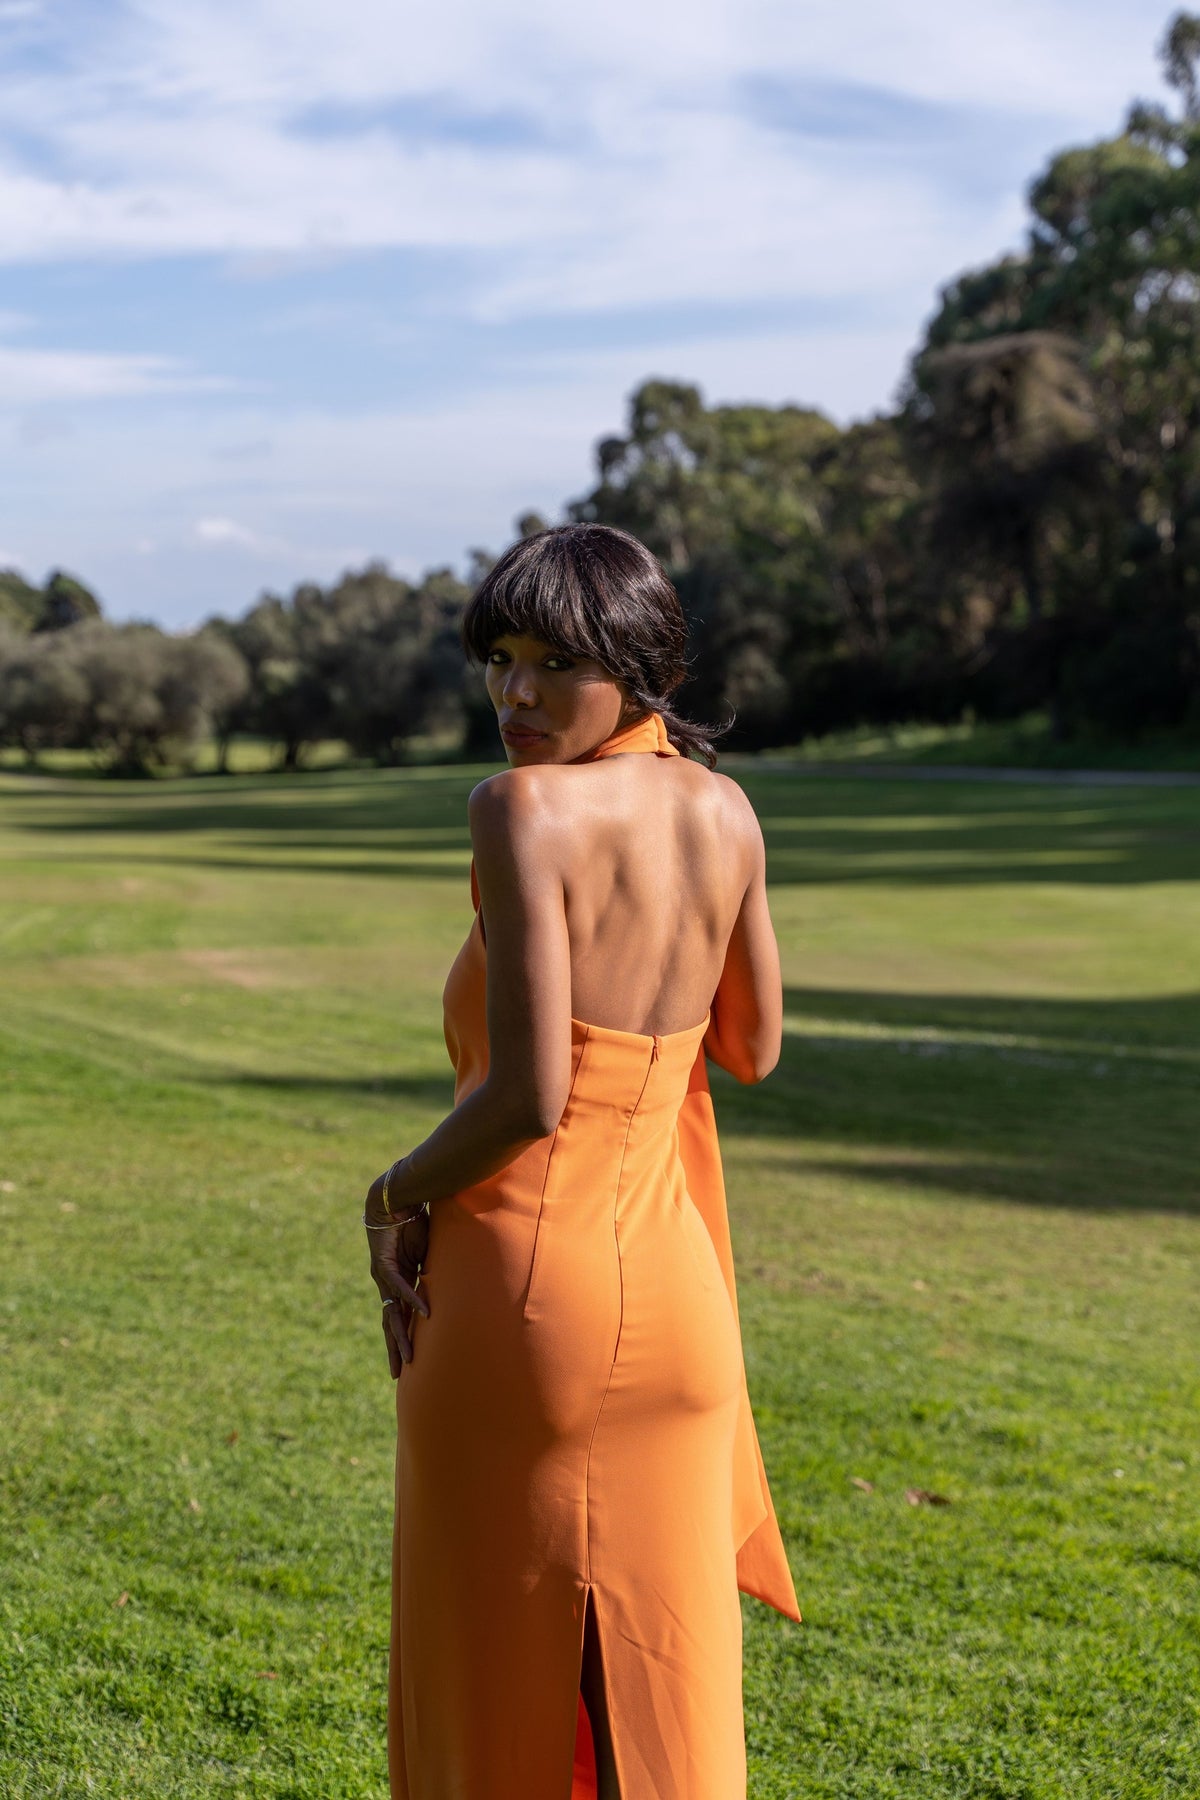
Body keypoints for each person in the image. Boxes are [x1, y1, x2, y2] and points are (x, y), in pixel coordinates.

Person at [362, 523, 799, 1800]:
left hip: (522, 1300)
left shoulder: (519, 810)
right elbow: (754, 1049)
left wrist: (389, 1195)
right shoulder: (727, 811)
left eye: (556, 658)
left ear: (641, 662)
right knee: (658, 1686)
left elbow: (529, 1096)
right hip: (679, 1308)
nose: (514, 691)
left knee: (488, 1664)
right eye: (497, 657)